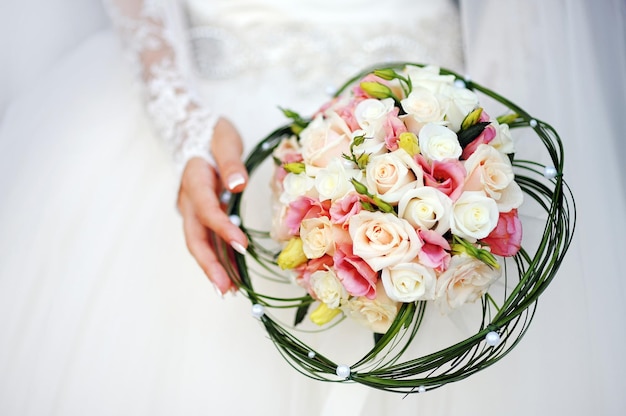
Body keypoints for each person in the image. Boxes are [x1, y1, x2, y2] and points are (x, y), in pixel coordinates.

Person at [0, 0, 624, 415]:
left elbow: (522, 27)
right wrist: (185, 128)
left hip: (430, 129)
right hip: (219, 134)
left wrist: (466, 168)